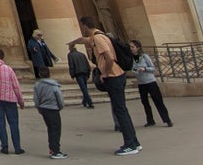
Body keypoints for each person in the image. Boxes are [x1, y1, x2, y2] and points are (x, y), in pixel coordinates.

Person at [69, 15, 141, 155]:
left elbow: (109, 58)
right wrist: (73, 42)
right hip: (118, 75)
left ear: (84, 26)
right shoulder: (99, 35)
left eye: (81, 26)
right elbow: (84, 40)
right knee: (122, 110)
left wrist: (105, 73)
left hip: (113, 76)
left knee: (120, 111)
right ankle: (134, 142)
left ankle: (130, 144)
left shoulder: (98, 38)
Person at [128, 40, 171, 127]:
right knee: (145, 102)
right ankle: (150, 120)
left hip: (150, 82)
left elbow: (152, 68)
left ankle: (167, 119)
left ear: (138, 48)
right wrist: (137, 70)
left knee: (158, 101)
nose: (131, 49)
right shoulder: (131, 58)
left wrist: (145, 69)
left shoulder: (144, 57)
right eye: (130, 47)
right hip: (141, 83)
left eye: (132, 47)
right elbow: (132, 69)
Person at [33, 66, 67, 159]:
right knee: (56, 130)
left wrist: (38, 107)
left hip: (43, 108)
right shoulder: (54, 85)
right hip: (53, 108)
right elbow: (59, 97)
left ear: (39, 74)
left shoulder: (37, 85)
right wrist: (60, 106)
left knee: (50, 129)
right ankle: (56, 151)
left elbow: (36, 98)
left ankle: (52, 148)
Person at [67, 42, 93, 108]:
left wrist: (72, 74)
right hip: (85, 72)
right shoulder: (82, 54)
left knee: (84, 89)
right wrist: (88, 72)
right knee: (85, 88)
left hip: (78, 73)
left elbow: (71, 65)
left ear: (70, 47)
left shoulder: (70, 55)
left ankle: (90, 103)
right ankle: (84, 101)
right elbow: (87, 64)